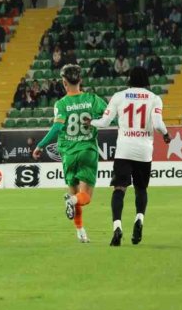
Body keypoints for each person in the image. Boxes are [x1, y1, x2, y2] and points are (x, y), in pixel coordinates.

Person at [88, 67, 171, 246]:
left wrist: (90, 122)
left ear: (129, 79)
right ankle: (139, 219)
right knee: (141, 189)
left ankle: (117, 226)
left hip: (124, 150)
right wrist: (165, 134)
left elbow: (104, 122)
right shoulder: (154, 99)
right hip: (144, 151)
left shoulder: (119, 96)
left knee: (119, 189)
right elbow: (157, 124)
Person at [32, 64, 107, 244]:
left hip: (68, 154)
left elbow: (57, 127)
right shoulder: (93, 99)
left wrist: (40, 145)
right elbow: (110, 116)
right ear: (80, 80)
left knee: (73, 194)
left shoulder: (61, 104)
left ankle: (81, 232)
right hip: (87, 151)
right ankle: (72, 203)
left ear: (64, 82)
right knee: (84, 198)